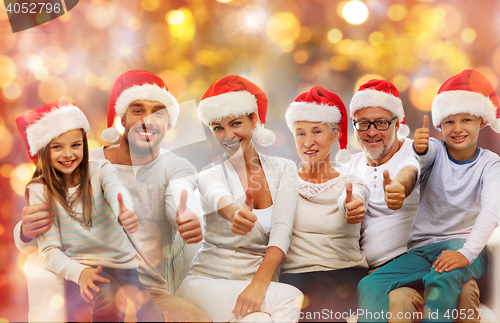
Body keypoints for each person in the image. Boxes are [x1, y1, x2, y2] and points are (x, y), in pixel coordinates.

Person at [14, 70, 210, 322]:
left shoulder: (176, 166)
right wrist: (25, 230)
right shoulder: (81, 160)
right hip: (86, 285)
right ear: (123, 117)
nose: (147, 121)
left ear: (169, 123)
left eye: (158, 112)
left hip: (145, 288)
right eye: (137, 110)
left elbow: (180, 193)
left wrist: (185, 212)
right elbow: (35, 232)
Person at [357, 69, 500, 322]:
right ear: (440, 125)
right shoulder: (433, 148)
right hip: (422, 250)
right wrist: (407, 175)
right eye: (449, 122)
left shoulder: (491, 165)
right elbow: (415, 165)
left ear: (483, 121)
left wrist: (466, 254)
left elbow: (491, 211)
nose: (457, 129)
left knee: (440, 279)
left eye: (466, 120)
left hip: (464, 247)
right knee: (369, 284)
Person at [15, 101, 163, 322]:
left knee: (151, 316)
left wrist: (123, 208)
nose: (68, 154)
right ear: (43, 150)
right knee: (109, 300)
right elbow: (49, 251)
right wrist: (79, 273)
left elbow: (116, 189)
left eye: (75, 145)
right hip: (85, 267)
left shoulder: (101, 169)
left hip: (125, 266)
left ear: (84, 143)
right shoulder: (41, 189)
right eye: (57, 147)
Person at [177, 75, 303, 322]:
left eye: (235, 124)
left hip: (252, 287)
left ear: (253, 119)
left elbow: (281, 232)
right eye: (217, 128)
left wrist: (258, 284)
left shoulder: (284, 169)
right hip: (207, 284)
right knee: (290, 298)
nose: (228, 135)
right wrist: (234, 211)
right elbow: (218, 196)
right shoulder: (210, 174)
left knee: (262, 320)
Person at [279, 86, 369, 322]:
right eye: (300, 133)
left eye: (317, 131)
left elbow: (352, 199)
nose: (308, 142)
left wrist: (351, 206)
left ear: (335, 134)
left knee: (321, 290)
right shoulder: (283, 185)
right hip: (296, 277)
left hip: (344, 274)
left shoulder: (351, 183)